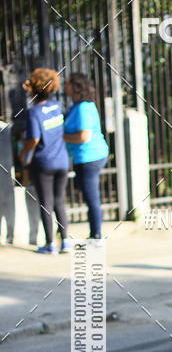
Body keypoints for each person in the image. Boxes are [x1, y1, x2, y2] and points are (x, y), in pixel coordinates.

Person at [19, 68, 71, 254]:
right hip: (62, 161)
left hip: (43, 163)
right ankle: (65, 241)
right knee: (59, 202)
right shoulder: (57, 106)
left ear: (34, 89)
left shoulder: (34, 113)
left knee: (46, 203)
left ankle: (50, 244)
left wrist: (24, 153)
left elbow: (33, 139)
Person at [63, 73, 109, 239]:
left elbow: (83, 137)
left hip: (90, 156)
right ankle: (95, 232)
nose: (64, 86)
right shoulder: (76, 106)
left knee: (91, 197)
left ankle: (96, 234)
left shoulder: (83, 108)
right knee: (87, 193)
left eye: (67, 84)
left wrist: (60, 137)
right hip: (82, 157)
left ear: (76, 87)